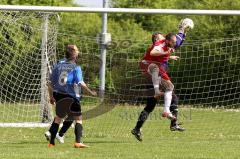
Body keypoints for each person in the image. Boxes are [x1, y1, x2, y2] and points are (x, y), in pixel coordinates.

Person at [131, 19, 193, 141]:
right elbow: (154, 57)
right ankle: (171, 122)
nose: (161, 39)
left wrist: (182, 30)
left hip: (158, 75)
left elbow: (174, 44)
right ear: (155, 41)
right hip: (151, 77)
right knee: (166, 97)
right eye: (158, 38)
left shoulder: (165, 47)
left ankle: (138, 129)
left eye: (162, 37)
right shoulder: (155, 49)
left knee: (155, 103)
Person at [47, 45, 96, 148]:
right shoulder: (76, 67)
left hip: (59, 95)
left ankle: (51, 143)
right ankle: (78, 142)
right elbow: (80, 82)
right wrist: (90, 92)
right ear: (73, 53)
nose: (78, 52)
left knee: (58, 118)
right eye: (77, 50)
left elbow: (50, 84)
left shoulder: (58, 66)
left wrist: (51, 96)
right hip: (71, 96)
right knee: (78, 118)